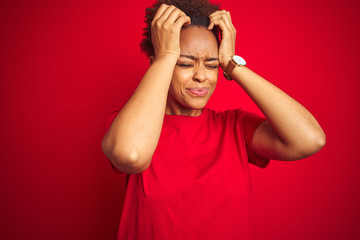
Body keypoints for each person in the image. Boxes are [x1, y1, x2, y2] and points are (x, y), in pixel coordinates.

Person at [102, 0, 326, 239]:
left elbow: (310, 139)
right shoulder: (129, 124)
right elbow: (130, 155)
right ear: (156, 63)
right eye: (185, 63)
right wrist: (166, 56)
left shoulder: (235, 127)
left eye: (211, 65)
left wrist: (232, 63)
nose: (201, 77)